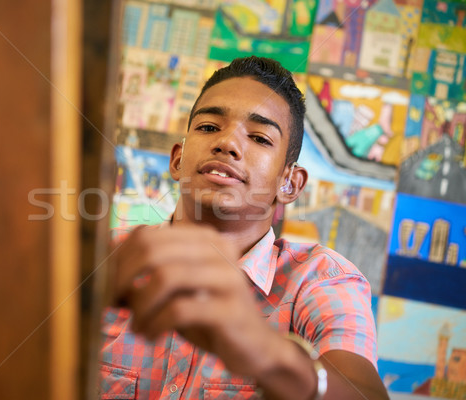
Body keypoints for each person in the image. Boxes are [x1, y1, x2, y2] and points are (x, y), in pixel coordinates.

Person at [100, 56, 389, 400]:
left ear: (290, 183)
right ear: (177, 160)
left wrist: (267, 352)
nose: (228, 144)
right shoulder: (103, 258)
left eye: (259, 137)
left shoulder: (323, 280)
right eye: (209, 127)